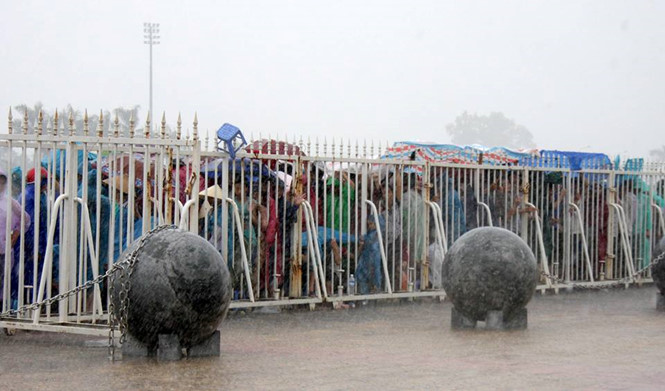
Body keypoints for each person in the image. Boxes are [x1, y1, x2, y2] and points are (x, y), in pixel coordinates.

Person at [0, 168, 31, 304]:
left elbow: (25, 220)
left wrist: (15, 235)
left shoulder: (10, 202)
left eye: (2, 182)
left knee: (3, 283)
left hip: (4, 250)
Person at [356, 215, 385, 295]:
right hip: (367, 258)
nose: (370, 226)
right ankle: (366, 294)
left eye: (371, 224)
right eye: (368, 224)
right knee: (364, 277)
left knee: (374, 274)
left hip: (372, 258)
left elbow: (369, 240)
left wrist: (362, 239)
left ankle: (375, 288)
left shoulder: (376, 234)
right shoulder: (371, 234)